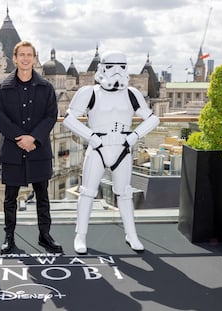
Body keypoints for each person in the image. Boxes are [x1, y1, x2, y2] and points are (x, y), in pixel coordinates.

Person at [63, 51, 160, 254]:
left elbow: (152, 118)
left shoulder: (132, 94)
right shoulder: (89, 92)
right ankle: (80, 235)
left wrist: (134, 136)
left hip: (122, 148)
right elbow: (69, 118)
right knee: (87, 193)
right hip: (98, 147)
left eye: (121, 66)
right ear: (102, 68)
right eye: (112, 66)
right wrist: (91, 136)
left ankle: (131, 234)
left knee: (124, 194)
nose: (117, 71)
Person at [0, 41, 63, 255]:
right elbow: (0, 118)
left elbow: (51, 116)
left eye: (29, 55)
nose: (25, 58)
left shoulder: (47, 87)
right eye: (21, 55)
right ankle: (9, 237)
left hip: (38, 149)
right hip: (13, 151)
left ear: (34, 58)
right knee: (10, 198)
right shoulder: (2, 88)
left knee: (43, 196)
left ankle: (45, 235)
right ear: (14, 59)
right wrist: (20, 138)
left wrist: (33, 138)